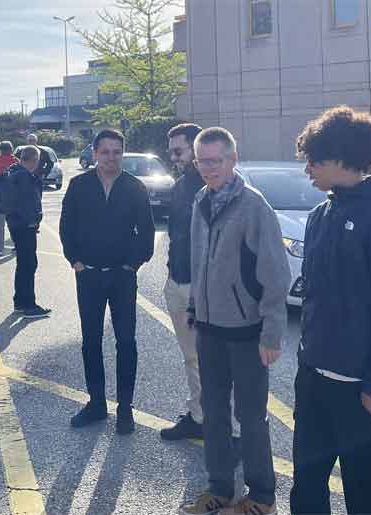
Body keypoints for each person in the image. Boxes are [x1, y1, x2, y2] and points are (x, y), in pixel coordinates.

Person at [289, 106, 371, 515]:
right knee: (307, 486)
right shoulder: (320, 215)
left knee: (369, 496)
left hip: (361, 391)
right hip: (313, 380)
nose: (307, 168)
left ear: (340, 157)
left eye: (314, 159)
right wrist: (305, 363)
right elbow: (314, 297)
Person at [180, 127, 290, 515]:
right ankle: (220, 489)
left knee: (251, 417)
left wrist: (271, 334)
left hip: (247, 334)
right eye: (201, 161)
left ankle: (261, 496)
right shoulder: (201, 200)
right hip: (209, 330)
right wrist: (194, 306)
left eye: (215, 160)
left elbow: (276, 276)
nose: (207, 168)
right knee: (214, 414)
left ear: (232, 159)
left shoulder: (254, 206)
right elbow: (198, 261)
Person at [59, 129, 155, 435]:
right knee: (91, 342)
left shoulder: (135, 187)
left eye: (117, 152)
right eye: (105, 152)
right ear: (95, 153)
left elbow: (147, 232)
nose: (111, 158)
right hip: (88, 276)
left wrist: (132, 265)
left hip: (122, 277)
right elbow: (66, 226)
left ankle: (125, 408)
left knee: (126, 342)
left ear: (122, 153)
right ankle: (96, 403)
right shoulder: (79, 185)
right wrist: (75, 262)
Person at [160, 123, 207, 441]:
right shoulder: (181, 185)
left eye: (179, 151)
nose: (173, 157)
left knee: (210, 359)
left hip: (199, 288)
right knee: (191, 356)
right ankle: (198, 415)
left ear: (196, 150)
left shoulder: (211, 186)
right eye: (171, 151)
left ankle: (225, 428)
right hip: (176, 281)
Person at [5, 145, 50, 318]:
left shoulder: (13, 172)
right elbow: (29, 203)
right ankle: (29, 305)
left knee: (22, 264)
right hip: (25, 226)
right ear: (34, 160)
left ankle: (20, 301)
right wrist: (33, 221)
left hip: (15, 224)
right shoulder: (25, 177)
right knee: (29, 264)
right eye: (38, 160)